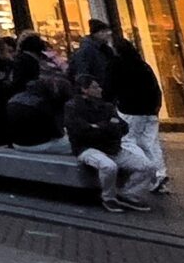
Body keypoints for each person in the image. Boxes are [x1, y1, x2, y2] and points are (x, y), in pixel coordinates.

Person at [66, 74, 155, 211]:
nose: (100, 89)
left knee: (147, 166)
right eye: (95, 87)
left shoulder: (107, 106)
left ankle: (129, 195)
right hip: (88, 148)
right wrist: (108, 126)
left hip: (112, 147)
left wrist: (97, 126)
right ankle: (108, 198)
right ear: (85, 89)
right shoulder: (73, 107)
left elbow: (123, 127)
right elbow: (80, 130)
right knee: (108, 166)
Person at [102, 24, 167, 193]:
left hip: (130, 108)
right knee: (151, 142)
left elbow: (109, 88)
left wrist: (108, 103)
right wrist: (156, 106)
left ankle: (148, 170)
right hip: (149, 109)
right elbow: (154, 86)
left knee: (129, 140)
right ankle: (160, 174)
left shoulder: (116, 65)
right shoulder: (141, 64)